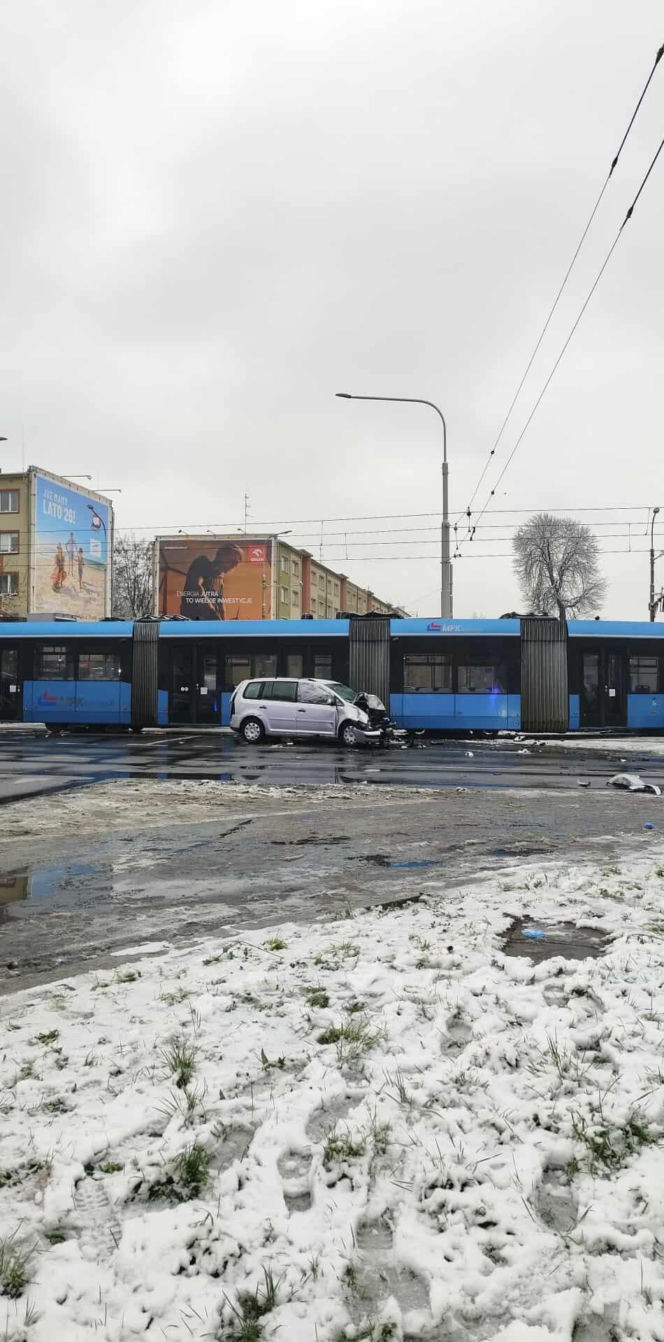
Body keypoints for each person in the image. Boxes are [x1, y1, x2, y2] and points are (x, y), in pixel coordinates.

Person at [180, 545, 243, 619]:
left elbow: (221, 606)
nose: (233, 565)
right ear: (221, 555)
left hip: (210, 622)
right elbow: (197, 587)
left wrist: (223, 624)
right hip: (194, 620)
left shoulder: (220, 580)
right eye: (232, 561)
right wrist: (214, 616)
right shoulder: (202, 562)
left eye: (236, 563)